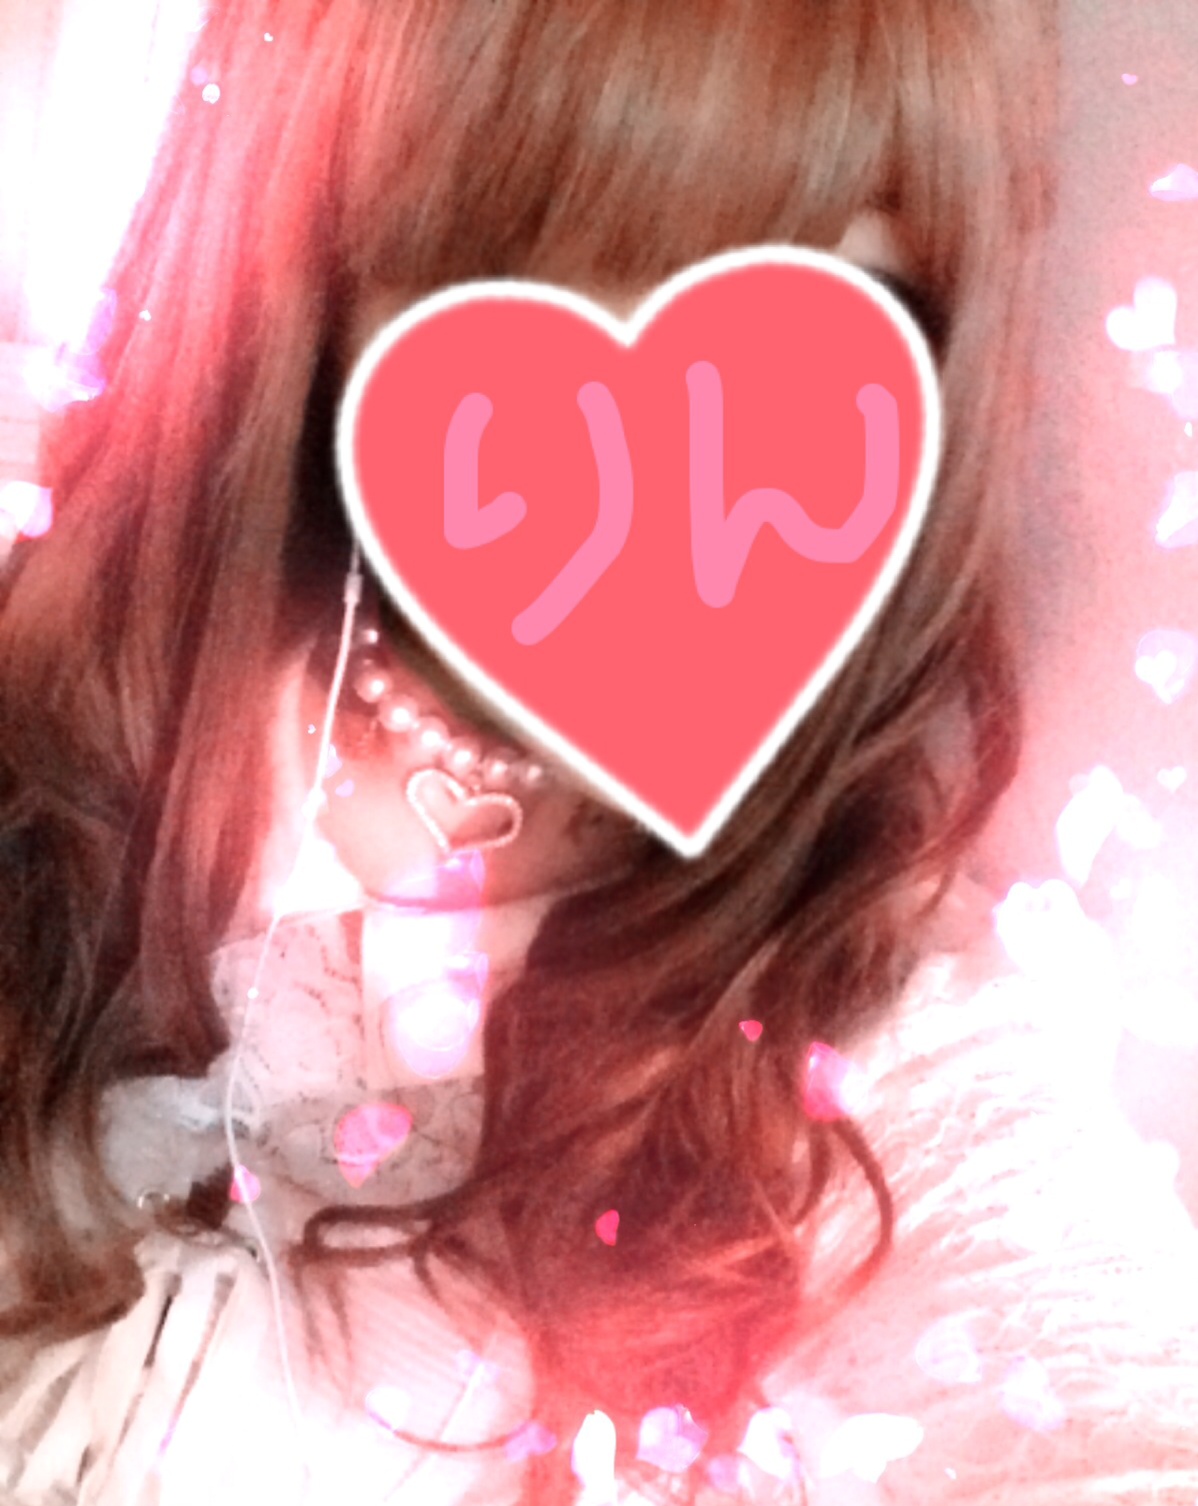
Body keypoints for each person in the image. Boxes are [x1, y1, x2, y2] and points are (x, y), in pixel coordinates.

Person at [2, 0, 1197, 1502]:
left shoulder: (879, 1030)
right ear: (320, 263)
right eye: (531, 290)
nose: (661, 479)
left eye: (798, 332)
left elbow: (1093, 1393)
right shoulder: (75, 706)